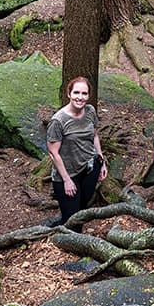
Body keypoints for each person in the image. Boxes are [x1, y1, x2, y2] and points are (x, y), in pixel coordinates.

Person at [46, 76, 107, 228]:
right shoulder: (58, 121)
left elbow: (94, 135)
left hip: (89, 169)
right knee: (73, 222)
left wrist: (102, 161)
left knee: (82, 208)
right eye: (76, 93)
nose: (80, 97)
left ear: (89, 95)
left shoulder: (90, 111)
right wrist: (66, 180)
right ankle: (55, 230)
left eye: (84, 94)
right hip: (68, 174)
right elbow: (54, 153)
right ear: (69, 94)